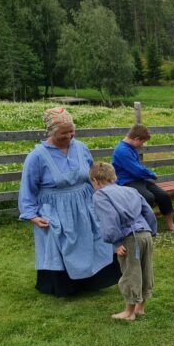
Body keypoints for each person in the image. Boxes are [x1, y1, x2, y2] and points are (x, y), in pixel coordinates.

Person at [18, 107, 120, 297]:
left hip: (84, 202)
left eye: (71, 131)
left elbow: (92, 176)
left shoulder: (81, 148)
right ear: (50, 131)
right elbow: (28, 188)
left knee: (91, 239)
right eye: (63, 133)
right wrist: (32, 215)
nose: (69, 136)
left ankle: (92, 281)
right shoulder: (37, 156)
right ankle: (65, 287)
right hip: (55, 207)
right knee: (62, 243)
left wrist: (104, 196)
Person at [90, 162, 157, 321]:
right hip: (145, 234)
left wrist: (117, 242)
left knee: (130, 272)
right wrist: (151, 232)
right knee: (145, 269)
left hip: (130, 238)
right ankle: (141, 307)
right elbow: (148, 211)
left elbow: (110, 219)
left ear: (95, 180)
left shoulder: (101, 195)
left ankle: (129, 312)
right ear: (114, 176)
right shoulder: (131, 190)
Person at [112, 124, 174, 234]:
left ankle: (171, 225)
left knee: (163, 196)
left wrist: (147, 174)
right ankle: (143, 225)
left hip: (138, 180)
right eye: (142, 142)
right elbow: (136, 170)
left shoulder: (131, 148)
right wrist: (151, 174)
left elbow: (139, 168)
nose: (142, 145)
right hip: (126, 182)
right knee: (148, 197)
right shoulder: (122, 150)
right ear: (136, 139)